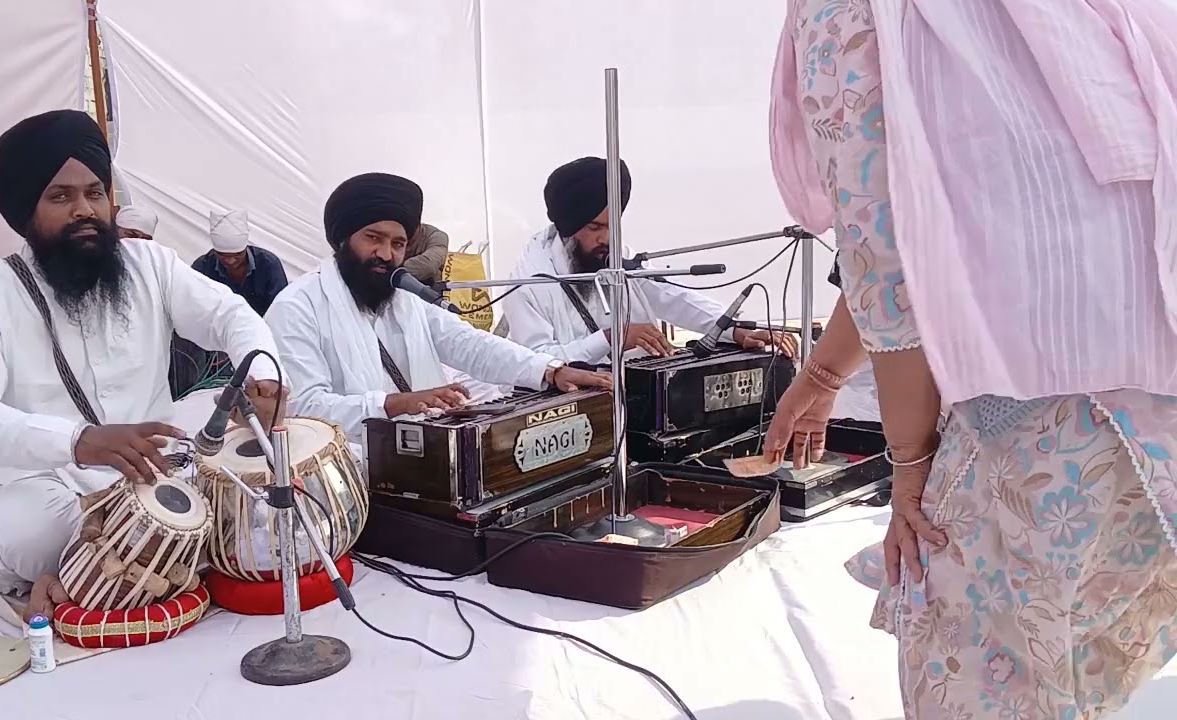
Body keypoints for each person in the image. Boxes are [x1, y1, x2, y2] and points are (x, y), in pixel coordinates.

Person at [765, 1, 1177, 717]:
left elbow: (885, 256)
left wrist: (909, 465)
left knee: (973, 674)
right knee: (1075, 674)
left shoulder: (844, 11)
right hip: (1155, 405)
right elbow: (947, 229)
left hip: (1036, 412)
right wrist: (825, 372)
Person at [0, 109, 286, 619]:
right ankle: (75, 564)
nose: (85, 210)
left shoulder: (151, 265)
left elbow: (231, 315)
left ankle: (95, 570)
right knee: (32, 536)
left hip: (153, 469)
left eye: (95, 193)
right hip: (40, 481)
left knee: (251, 501)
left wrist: (263, 376)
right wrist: (76, 441)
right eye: (61, 196)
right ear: (25, 211)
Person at [265, 172, 612, 442]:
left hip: (425, 458)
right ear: (342, 239)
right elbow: (303, 409)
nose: (386, 254)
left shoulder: (403, 297)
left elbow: (471, 345)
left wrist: (550, 371)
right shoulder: (297, 307)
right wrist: (395, 404)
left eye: (398, 243)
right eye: (374, 238)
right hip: (348, 474)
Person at [503, 157, 797, 364]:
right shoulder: (530, 281)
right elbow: (535, 362)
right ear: (568, 227)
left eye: (613, 225)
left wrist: (732, 329)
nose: (607, 238)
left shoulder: (613, 254)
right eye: (595, 228)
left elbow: (670, 295)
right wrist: (610, 338)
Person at [192, 209, 289, 316]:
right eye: (222, 255)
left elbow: (281, 308)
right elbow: (194, 307)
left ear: (245, 248)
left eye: (237, 255)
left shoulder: (268, 265)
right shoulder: (202, 268)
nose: (230, 261)